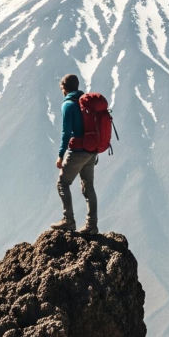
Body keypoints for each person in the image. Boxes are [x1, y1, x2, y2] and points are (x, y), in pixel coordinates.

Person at [52, 73, 98, 233]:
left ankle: (68, 220)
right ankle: (92, 226)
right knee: (88, 187)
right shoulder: (85, 103)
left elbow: (66, 133)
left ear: (64, 89)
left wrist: (60, 155)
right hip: (91, 151)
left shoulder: (68, 105)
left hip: (77, 150)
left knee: (62, 183)